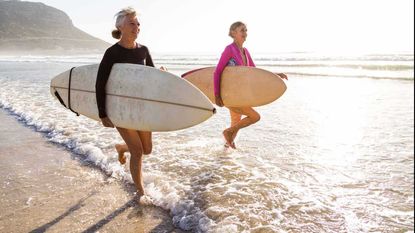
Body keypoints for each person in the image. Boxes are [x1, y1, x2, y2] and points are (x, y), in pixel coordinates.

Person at [95, 7, 162, 197]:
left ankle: (122, 147)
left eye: (138, 24)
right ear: (120, 27)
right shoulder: (112, 53)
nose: (136, 27)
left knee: (146, 149)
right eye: (131, 23)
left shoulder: (144, 51)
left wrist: (161, 74)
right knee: (138, 152)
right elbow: (100, 83)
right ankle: (140, 192)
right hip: (121, 109)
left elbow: (152, 77)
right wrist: (103, 113)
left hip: (141, 108)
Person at [213, 21, 288, 149]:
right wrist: (217, 95)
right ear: (233, 33)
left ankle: (225, 150)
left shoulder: (245, 51)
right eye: (242, 30)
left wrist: (274, 75)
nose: (245, 33)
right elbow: (218, 72)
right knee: (255, 116)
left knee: (236, 122)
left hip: (241, 95)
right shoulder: (229, 49)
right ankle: (227, 133)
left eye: (246, 30)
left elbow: (255, 72)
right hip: (233, 95)